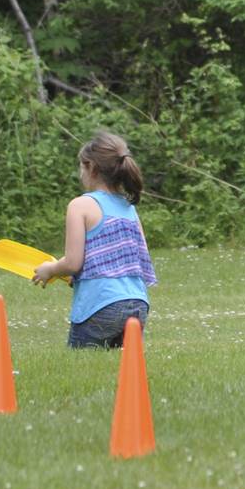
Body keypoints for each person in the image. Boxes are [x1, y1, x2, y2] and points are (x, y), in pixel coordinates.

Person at [32, 132, 157, 349]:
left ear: (91, 167)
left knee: (80, 370)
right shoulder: (129, 208)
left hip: (101, 305)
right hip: (138, 303)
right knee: (126, 374)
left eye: (81, 166)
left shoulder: (80, 205)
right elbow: (131, 257)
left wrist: (51, 269)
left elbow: (72, 262)